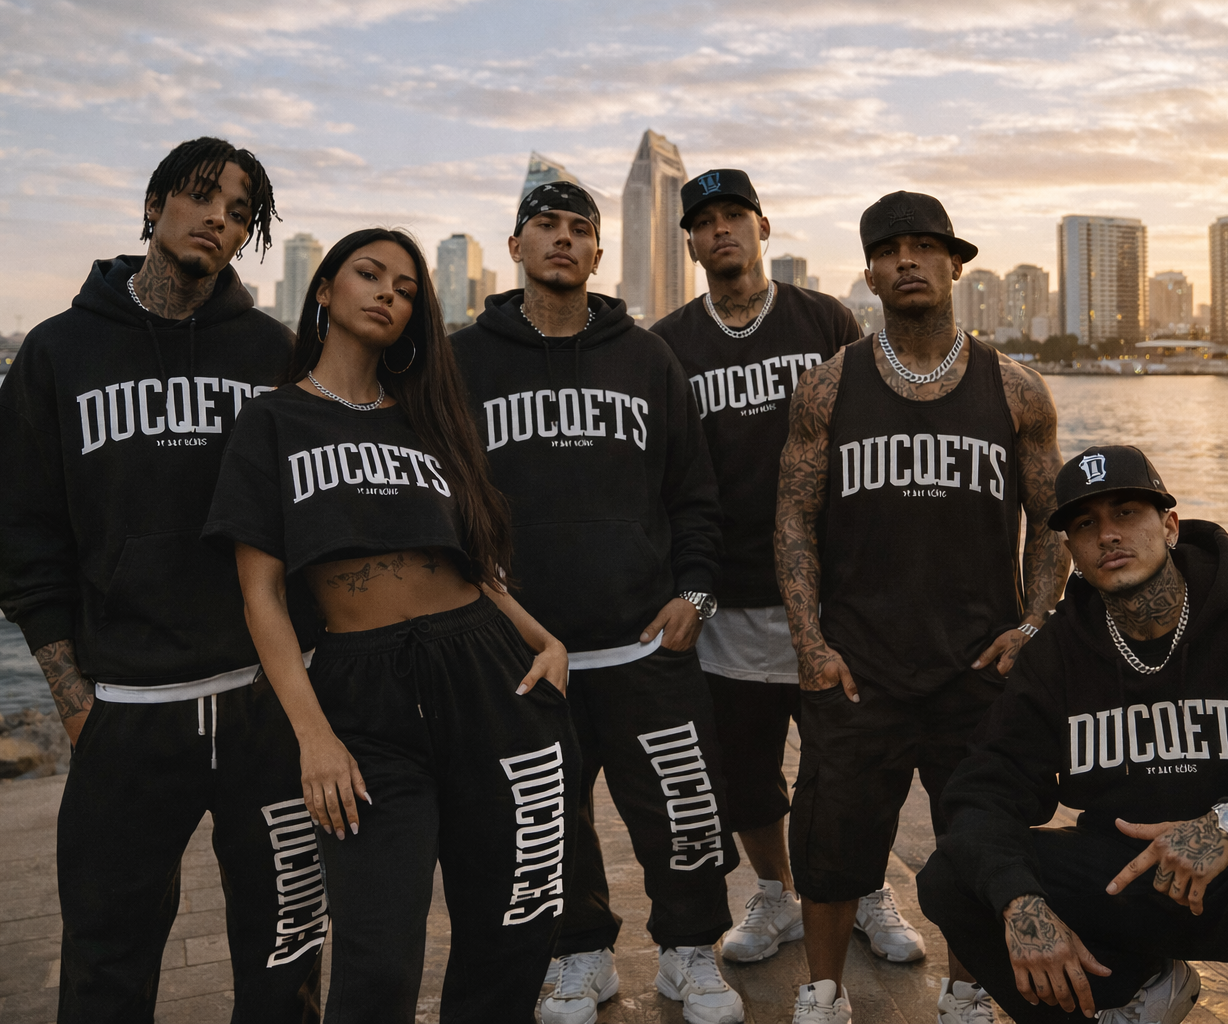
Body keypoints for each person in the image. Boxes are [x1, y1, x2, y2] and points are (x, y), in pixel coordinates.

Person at [0, 137, 330, 1021]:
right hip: (128, 716)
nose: (219, 217)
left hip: (264, 711)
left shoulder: (272, 353)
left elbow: (313, 516)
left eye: (242, 211)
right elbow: (26, 543)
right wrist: (73, 699)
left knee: (287, 952)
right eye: (201, 196)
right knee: (106, 963)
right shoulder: (57, 354)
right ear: (153, 205)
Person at [202, 227, 580, 1023]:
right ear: (325, 291)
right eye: (369, 275)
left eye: (406, 290)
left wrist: (540, 634)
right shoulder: (272, 422)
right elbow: (261, 596)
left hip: (486, 673)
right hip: (363, 695)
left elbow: (468, 559)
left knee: (515, 922)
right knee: (378, 954)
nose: (388, 295)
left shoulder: (428, 418)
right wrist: (313, 736)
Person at [917, 445, 1228, 1023]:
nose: (1108, 535)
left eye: (1126, 512)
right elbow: (985, 789)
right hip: (1126, 881)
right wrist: (1021, 902)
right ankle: (1132, 997)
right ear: (1072, 553)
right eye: (1086, 524)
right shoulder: (1058, 653)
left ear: (1170, 525)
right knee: (957, 877)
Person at [451, 182, 743, 1024]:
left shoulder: (645, 356)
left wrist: (695, 593)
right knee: (550, 819)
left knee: (685, 807)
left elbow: (695, 493)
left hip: (645, 643)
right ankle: (580, 957)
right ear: (514, 246)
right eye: (546, 226)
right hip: (528, 649)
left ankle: (692, 954)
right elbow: (447, 500)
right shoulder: (466, 359)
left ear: (598, 255)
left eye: (582, 230)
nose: (564, 241)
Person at [774, 191, 1069, 1024]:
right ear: (868, 271)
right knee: (831, 842)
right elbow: (794, 516)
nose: (906, 260)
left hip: (978, 665)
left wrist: (1035, 627)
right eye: (889, 249)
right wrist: (810, 642)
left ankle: (969, 989)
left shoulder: (1016, 389)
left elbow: (1051, 521)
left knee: (977, 837)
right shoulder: (828, 389)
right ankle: (822, 993)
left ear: (955, 264)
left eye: (924, 246)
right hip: (858, 663)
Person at [650, 168, 858, 966]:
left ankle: (862, 889)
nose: (721, 231)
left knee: (845, 758)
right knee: (745, 770)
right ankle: (777, 893)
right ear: (692, 243)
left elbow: (863, 438)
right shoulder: (670, 342)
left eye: (735, 216)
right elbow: (666, 471)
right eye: (705, 223)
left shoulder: (824, 318)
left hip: (830, 590)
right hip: (727, 593)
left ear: (764, 228)